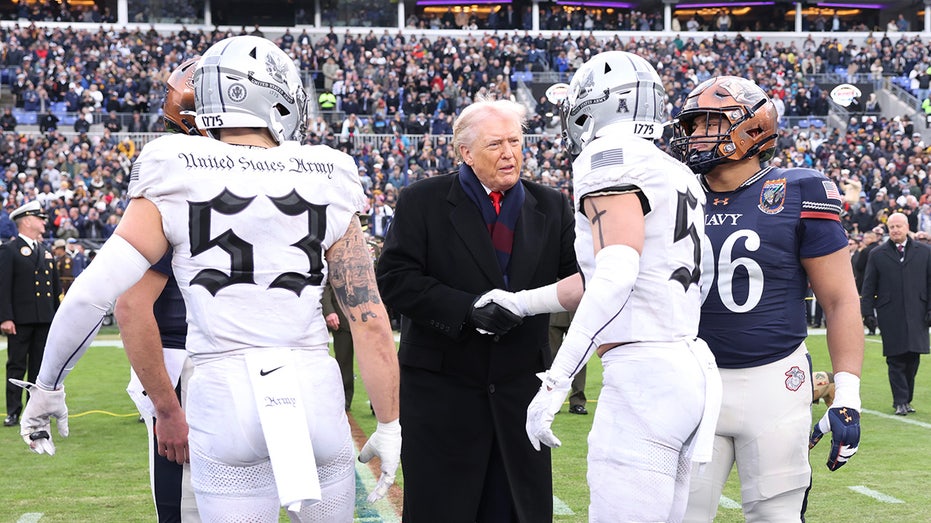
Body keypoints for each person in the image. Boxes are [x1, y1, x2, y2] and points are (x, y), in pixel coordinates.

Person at [13, 35, 400, 522]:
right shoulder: (329, 171)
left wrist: (48, 386)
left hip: (223, 395)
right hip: (312, 392)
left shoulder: (176, 165)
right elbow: (370, 319)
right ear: (274, 97)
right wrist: (390, 424)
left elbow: (91, 297)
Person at [478, 51, 721, 522]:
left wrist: (557, 381)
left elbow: (616, 274)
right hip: (686, 369)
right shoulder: (673, 169)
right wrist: (521, 303)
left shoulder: (610, 156)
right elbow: (605, 276)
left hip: (642, 376)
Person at [670, 76, 864, 522]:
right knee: (680, 514)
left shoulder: (799, 190)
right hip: (691, 383)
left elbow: (839, 299)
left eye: (710, 122)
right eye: (693, 124)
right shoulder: (673, 192)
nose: (696, 134)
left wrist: (848, 394)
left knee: (778, 514)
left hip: (775, 382)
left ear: (753, 128)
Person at [375, 97, 577, 522]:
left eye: (515, 142)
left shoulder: (552, 205)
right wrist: (466, 309)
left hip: (520, 396)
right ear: (465, 152)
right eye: (495, 144)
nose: (509, 153)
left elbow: (578, 280)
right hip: (442, 397)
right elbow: (394, 279)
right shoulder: (422, 200)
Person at [115, 56, 204, 523]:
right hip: (189, 358)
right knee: (185, 505)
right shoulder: (178, 184)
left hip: (243, 360)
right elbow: (131, 303)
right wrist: (168, 408)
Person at [860, 212, 931, 416]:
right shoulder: (877, 254)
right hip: (890, 314)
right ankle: (900, 401)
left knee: (913, 358)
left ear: (907, 227)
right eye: (892, 227)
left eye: (899, 226)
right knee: (895, 358)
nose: (895, 230)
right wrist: (867, 313)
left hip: (918, 313)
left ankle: (906, 399)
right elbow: (868, 286)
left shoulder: (925, 252)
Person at [1, 200, 61, 427]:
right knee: (16, 366)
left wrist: (57, 319)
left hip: (44, 319)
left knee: (40, 369)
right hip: (20, 320)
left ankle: (34, 411)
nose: (43, 222)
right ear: (26, 221)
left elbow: (55, 290)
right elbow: (3, 287)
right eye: (39, 218)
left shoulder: (45, 252)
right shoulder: (10, 250)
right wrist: (5, 317)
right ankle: (13, 411)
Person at [321, 281, 354, 411]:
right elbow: (325, 284)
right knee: (343, 361)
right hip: (342, 316)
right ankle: (344, 401)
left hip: (369, 316)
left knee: (374, 363)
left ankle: (379, 403)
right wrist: (329, 311)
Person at [548, 311, 587, 415]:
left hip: (578, 316)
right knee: (551, 358)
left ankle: (577, 402)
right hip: (553, 313)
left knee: (578, 357)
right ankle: (551, 401)